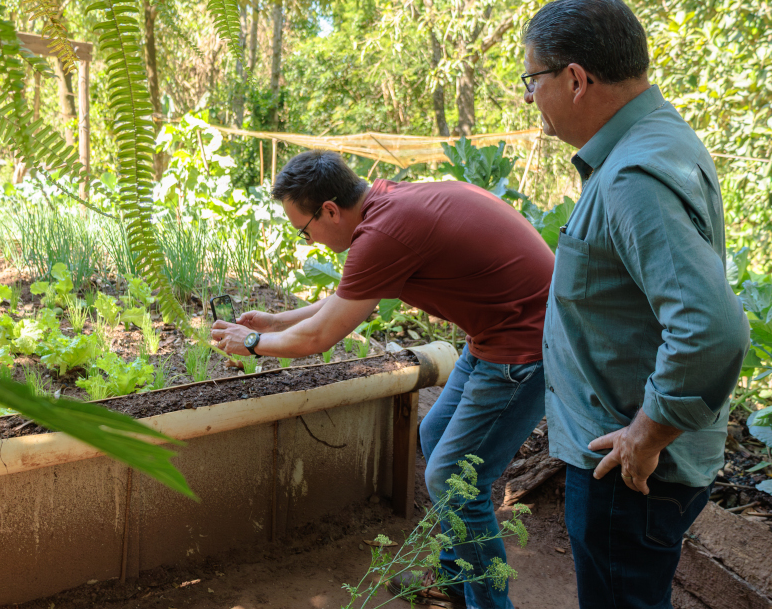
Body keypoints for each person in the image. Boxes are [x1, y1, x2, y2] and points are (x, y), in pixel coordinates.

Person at [211, 150, 553, 609]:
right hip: (497, 334)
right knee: (435, 435)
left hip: (526, 347)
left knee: (453, 475)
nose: (308, 239)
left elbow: (319, 336)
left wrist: (252, 343)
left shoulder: (385, 232)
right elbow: (347, 298)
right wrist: (272, 323)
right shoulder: (388, 205)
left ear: (329, 210)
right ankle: (454, 580)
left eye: (304, 228)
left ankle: (489, 604)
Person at [521, 0, 750, 609]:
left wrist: (644, 436)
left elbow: (712, 329)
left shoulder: (631, 176)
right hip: (635, 463)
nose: (529, 98)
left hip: (624, 472)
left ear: (574, 78)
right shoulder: (657, 139)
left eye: (531, 80)